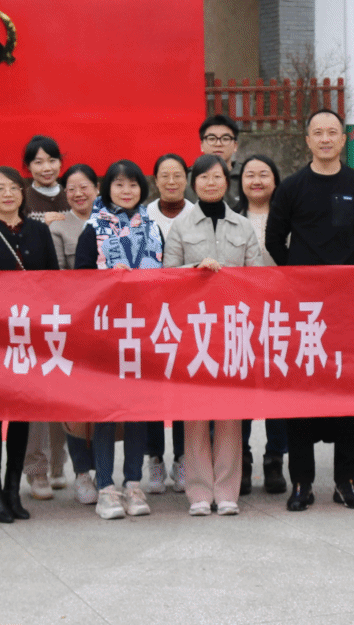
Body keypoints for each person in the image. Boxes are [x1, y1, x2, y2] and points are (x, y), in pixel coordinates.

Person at [265, 109, 354, 511]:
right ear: (308, 140)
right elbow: (274, 239)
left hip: (348, 305)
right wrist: (300, 276)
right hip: (304, 309)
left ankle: (346, 481)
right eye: (319, 133)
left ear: (343, 139)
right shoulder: (292, 186)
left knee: (349, 391)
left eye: (333, 132)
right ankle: (302, 483)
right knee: (301, 394)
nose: (326, 138)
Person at [163, 155, 270, 515]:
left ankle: (226, 491)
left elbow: (257, 278)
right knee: (194, 414)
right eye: (204, 178)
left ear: (227, 181)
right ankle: (198, 492)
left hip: (233, 329)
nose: (211, 183)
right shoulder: (180, 226)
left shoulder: (242, 226)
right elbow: (166, 276)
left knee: (229, 413)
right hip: (193, 330)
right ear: (193, 183)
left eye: (217, 177)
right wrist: (194, 269)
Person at [0, 166, 61, 522]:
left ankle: (12, 489)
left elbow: (53, 282)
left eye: (14, 188)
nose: (7, 194)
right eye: (0, 188)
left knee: (21, 417)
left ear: (22, 193)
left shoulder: (39, 231)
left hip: (26, 338)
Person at [76, 160, 167, 519]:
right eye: (119, 184)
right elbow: (79, 280)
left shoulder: (153, 228)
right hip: (104, 332)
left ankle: (133, 483)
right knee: (106, 411)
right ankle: (105, 487)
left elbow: (166, 277)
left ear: (141, 189)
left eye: (132, 184)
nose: (126, 191)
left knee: (137, 410)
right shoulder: (93, 229)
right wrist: (106, 280)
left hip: (143, 331)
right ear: (107, 189)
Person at [45, 163, 101, 503]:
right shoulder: (58, 228)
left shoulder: (114, 222)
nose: (78, 194)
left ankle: (109, 472)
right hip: (74, 325)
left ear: (97, 188)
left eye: (84, 187)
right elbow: (56, 279)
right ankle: (82, 472)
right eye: (71, 189)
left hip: (111, 326)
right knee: (76, 403)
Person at [232, 153, 288, 494]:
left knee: (278, 390)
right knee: (243, 391)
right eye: (250, 174)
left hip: (280, 315)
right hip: (241, 316)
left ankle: (274, 459)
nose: (256, 181)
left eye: (264, 174)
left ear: (275, 180)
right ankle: (243, 459)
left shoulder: (288, 216)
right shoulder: (231, 218)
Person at [140, 152, 194, 494]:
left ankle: (183, 458)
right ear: (155, 180)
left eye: (177, 175)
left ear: (186, 179)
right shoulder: (143, 216)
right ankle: (155, 459)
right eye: (165, 176)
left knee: (184, 391)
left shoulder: (196, 214)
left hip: (189, 315)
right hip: (151, 315)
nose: (171, 182)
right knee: (152, 391)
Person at [24, 135, 71, 223]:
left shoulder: (71, 195)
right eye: (38, 162)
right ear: (28, 166)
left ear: (60, 162)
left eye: (52, 161)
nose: (47, 168)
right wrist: (42, 225)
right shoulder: (22, 200)